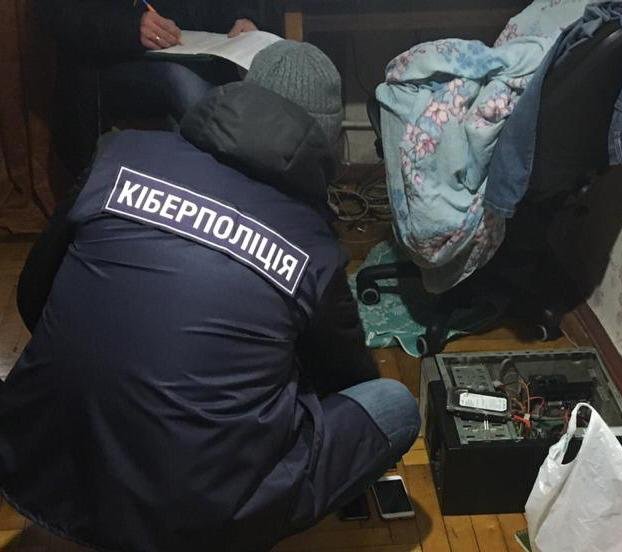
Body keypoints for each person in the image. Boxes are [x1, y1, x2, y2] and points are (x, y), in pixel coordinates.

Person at [0, 41, 421, 552]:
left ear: (237, 98)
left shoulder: (122, 155)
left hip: (40, 462)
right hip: (192, 522)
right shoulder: (313, 246)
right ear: (327, 141)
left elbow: (33, 295)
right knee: (394, 406)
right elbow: (345, 380)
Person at [35, 0, 262, 180]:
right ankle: (232, 188)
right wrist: (130, 26)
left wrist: (245, 16)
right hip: (111, 59)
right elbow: (55, 11)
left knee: (267, 65)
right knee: (183, 82)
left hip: (205, 48)